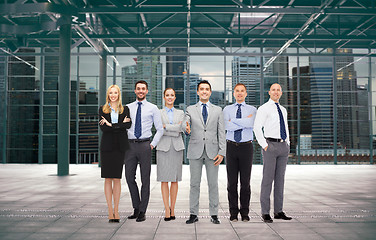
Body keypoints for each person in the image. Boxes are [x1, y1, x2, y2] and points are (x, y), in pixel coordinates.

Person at [185, 80, 226, 225]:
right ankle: (193, 214)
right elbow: (186, 121)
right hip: (195, 151)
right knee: (194, 184)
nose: (204, 91)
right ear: (197, 92)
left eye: (207, 89)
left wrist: (222, 152)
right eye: (201, 89)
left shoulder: (218, 110)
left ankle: (214, 214)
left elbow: (221, 132)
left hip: (213, 152)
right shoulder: (190, 109)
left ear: (210, 92)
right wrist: (186, 126)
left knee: (213, 184)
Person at [125, 80, 164, 222]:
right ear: (135, 91)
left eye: (143, 89)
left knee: (145, 179)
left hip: (145, 145)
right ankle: (136, 207)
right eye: (138, 89)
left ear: (147, 91)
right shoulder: (127, 107)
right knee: (129, 178)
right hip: (129, 146)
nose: (140, 91)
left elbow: (160, 129)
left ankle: (142, 211)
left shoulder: (153, 108)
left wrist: (152, 144)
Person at [253, 83, 292, 223]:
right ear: (269, 92)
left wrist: (288, 143)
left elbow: (285, 127)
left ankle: (278, 211)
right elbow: (257, 127)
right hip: (270, 145)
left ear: (281, 93)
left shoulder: (283, 109)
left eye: (278, 90)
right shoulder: (264, 108)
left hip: (283, 146)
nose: (276, 92)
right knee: (267, 180)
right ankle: (265, 212)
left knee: (280, 180)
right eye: (273, 90)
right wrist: (264, 145)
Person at [223, 83, 257, 222]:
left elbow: (251, 124)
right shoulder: (226, 109)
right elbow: (226, 126)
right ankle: (233, 213)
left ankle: (245, 212)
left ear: (246, 93)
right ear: (233, 93)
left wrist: (234, 121)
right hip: (231, 147)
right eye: (237, 91)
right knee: (231, 183)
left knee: (245, 182)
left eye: (242, 91)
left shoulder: (253, 109)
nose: (239, 93)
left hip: (246, 147)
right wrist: (243, 121)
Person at [98, 85, 131, 223]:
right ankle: (109, 210)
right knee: (107, 179)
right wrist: (118, 125)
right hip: (107, 147)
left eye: (115, 93)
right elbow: (103, 128)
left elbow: (128, 126)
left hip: (120, 147)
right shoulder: (102, 109)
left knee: (117, 178)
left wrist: (111, 125)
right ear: (108, 95)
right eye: (111, 93)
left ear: (119, 94)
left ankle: (116, 210)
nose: (113, 95)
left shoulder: (125, 109)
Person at [156, 88, 185, 221]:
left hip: (177, 148)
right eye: (167, 95)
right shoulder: (158, 112)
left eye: (172, 95)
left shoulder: (181, 113)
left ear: (174, 97)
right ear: (164, 97)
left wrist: (166, 127)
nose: (169, 97)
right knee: (164, 179)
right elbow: (158, 129)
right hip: (163, 148)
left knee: (174, 179)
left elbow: (182, 129)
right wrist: (173, 127)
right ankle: (166, 209)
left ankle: (172, 209)